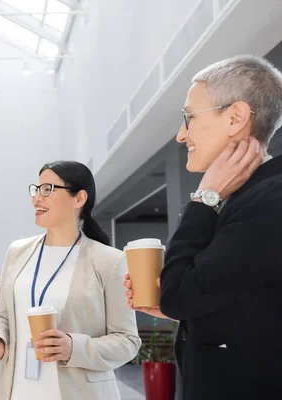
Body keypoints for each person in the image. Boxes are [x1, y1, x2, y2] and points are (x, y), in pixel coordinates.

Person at [124, 55, 282, 399]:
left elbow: (181, 295)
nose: (181, 135)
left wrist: (204, 198)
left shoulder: (271, 198)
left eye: (189, 118)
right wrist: (177, 309)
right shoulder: (248, 198)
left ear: (236, 117)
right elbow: (256, 311)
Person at [0, 161, 141, 399]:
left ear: (79, 199)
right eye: (36, 189)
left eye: (48, 189)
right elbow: (0, 315)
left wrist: (73, 347)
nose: (37, 198)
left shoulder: (109, 261)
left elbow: (127, 341)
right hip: (18, 390)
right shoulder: (18, 252)